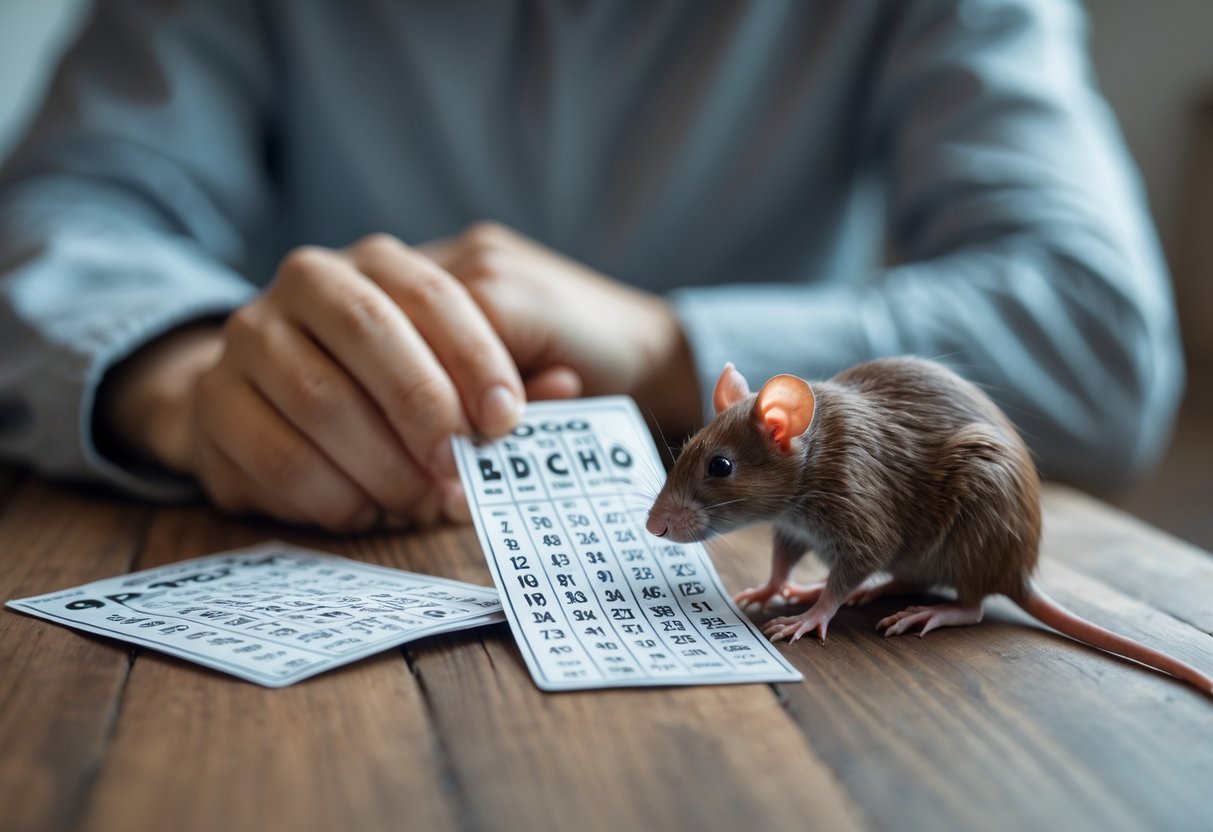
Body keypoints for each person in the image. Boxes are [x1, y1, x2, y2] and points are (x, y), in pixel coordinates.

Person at [0, 0, 1184, 532]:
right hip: (316, 518)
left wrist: (668, 341)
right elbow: (62, 210)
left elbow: (1100, 338)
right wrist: (182, 377)